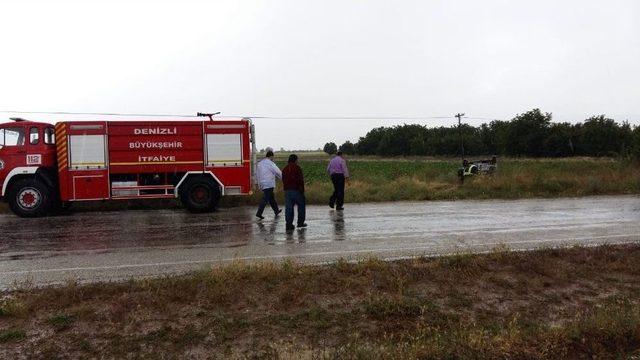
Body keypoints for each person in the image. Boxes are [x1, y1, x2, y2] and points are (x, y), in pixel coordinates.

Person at [255, 148, 282, 220]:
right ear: (271, 156)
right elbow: (277, 172)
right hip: (269, 183)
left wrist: (259, 183)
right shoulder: (271, 163)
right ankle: (259, 213)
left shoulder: (260, 163)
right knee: (266, 198)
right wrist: (283, 178)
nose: (273, 159)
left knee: (271, 198)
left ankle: (276, 211)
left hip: (263, 183)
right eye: (273, 157)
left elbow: (257, 174)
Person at [282, 154, 306, 230]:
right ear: (295, 160)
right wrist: (302, 190)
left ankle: (289, 224)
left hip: (287, 191)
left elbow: (283, 180)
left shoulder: (285, 169)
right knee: (301, 206)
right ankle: (300, 223)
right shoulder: (297, 168)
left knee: (289, 208)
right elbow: (300, 180)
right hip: (297, 191)